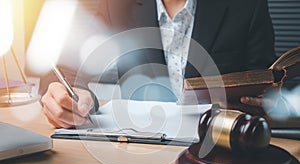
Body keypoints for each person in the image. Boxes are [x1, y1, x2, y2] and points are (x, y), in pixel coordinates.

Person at [38, 0, 276, 128]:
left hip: (218, 149)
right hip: (137, 149)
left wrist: (267, 104)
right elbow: (64, 71)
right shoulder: (116, 4)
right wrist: (68, 96)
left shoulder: (247, 5)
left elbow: (267, 86)